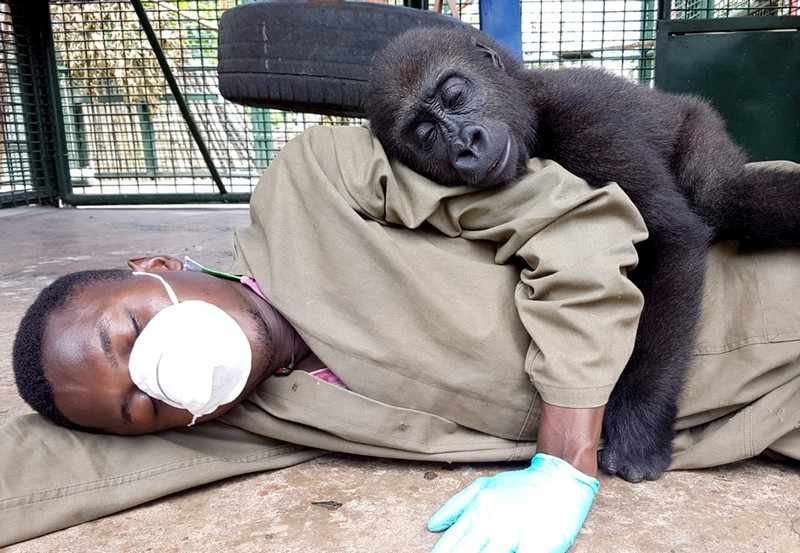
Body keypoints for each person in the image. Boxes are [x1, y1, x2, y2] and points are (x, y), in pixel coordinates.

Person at [2, 125, 800, 551]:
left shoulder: (315, 181)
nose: (163, 374)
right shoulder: (247, 414)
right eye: (142, 406)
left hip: (747, 284)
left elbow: (580, 222)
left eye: (133, 329)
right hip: (759, 416)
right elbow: (42, 468)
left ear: (157, 264)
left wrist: (565, 459)